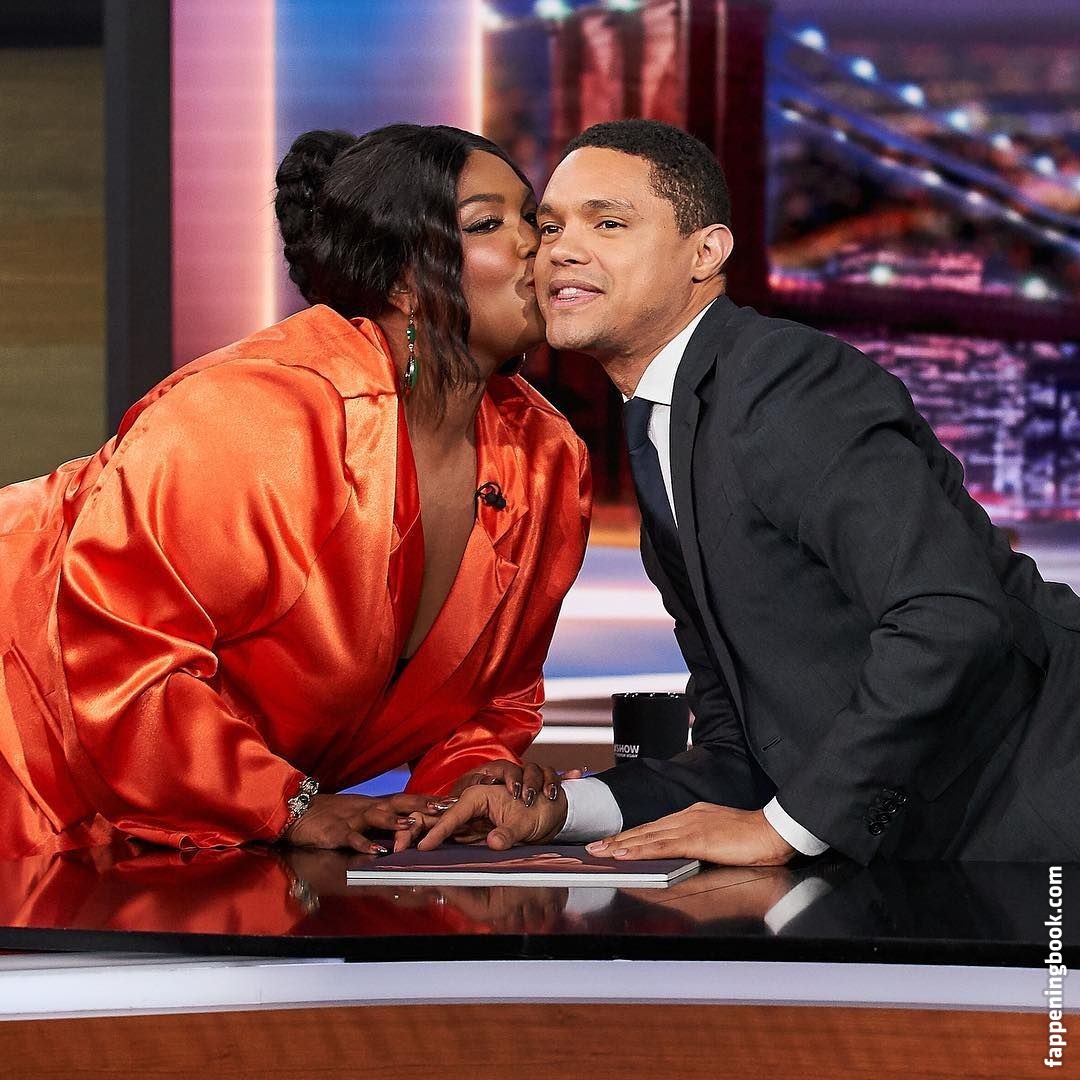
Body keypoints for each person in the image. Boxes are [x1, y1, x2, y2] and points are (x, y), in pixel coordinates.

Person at [421, 118, 1080, 865]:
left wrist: (785, 829)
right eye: (551, 227)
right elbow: (743, 750)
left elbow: (950, 615)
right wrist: (560, 810)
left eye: (608, 223)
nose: (560, 250)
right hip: (936, 858)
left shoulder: (784, 382)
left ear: (706, 253)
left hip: (1045, 821)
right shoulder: (663, 426)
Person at [0, 123, 590, 861]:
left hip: (172, 803)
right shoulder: (259, 413)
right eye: (486, 224)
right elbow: (122, 655)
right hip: (24, 721)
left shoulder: (549, 459)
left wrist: (467, 788)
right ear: (403, 280)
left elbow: (493, 699)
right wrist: (287, 804)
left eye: (531, 217)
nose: (539, 245)